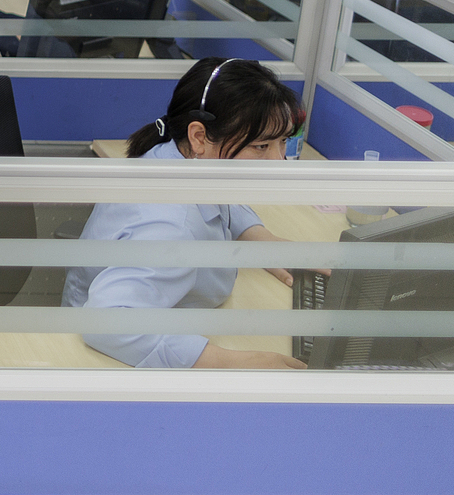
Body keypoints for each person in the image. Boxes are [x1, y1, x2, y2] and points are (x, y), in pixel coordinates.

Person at [62, 57, 307, 370]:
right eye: (262, 147)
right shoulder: (170, 226)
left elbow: (223, 203)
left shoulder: (182, 158)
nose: (279, 161)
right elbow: (108, 320)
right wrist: (235, 362)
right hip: (101, 359)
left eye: (282, 142)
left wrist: (262, 240)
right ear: (199, 136)